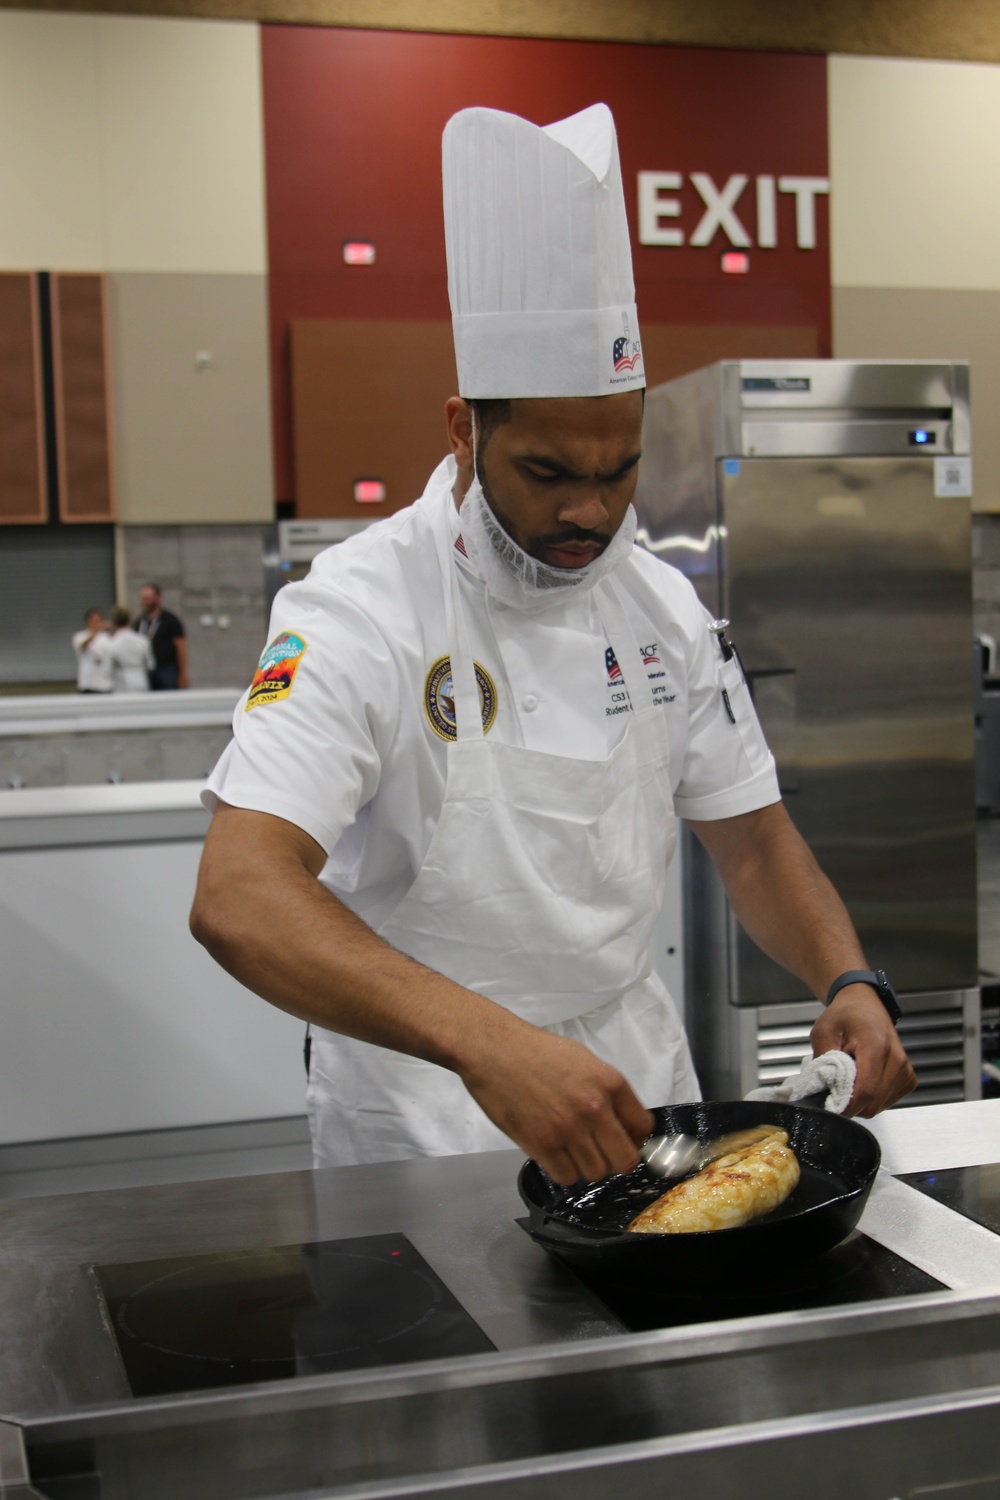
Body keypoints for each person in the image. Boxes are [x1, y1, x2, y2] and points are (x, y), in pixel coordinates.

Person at [191, 103, 915, 1186]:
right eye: (547, 472)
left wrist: (847, 977)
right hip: (424, 1107)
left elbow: (755, 842)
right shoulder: (356, 609)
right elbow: (238, 894)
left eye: (617, 470)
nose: (590, 513)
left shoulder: (660, 609)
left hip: (634, 1085)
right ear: (462, 430)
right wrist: (484, 1040)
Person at [134, 584, 188, 691]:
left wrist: (182, 674)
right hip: (145, 669)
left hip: (167, 668)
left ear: (157, 598)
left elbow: (181, 647)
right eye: (143, 599)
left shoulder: (171, 621)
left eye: (148, 599)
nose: (145, 602)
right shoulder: (139, 622)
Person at [106, 606, 154, 692]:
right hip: (141, 680)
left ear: (114, 622)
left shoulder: (111, 643)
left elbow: (108, 668)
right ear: (129, 620)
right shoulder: (142, 640)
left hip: (122, 682)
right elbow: (151, 665)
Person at [72, 608, 113, 694]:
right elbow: (83, 646)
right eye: (94, 621)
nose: (97, 624)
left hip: (105, 683)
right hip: (87, 684)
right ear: (87, 622)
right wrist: (96, 632)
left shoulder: (107, 638)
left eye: (99, 621)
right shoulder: (79, 636)